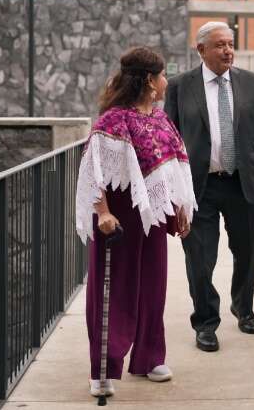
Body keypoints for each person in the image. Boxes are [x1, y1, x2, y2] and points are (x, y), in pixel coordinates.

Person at [75, 46, 196, 398]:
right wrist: (103, 213)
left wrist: (179, 208)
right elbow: (94, 172)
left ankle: (148, 357)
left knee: (152, 288)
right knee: (112, 291)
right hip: (119, 220)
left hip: (152, 219)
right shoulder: (114, 120)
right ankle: (103, 368)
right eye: (161, 75)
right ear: (148, 79)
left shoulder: (160, 119)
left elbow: (173, 167)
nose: (166, 81)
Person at [165, 21, 254, 352]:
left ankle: (243, 306)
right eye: (220, 45)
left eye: (230, 44)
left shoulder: (251, 82)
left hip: (245, 185)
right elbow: (170, 139)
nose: (228, 51)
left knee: (247, 254)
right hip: (200, 188)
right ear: (201, 50)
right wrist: (174, 190)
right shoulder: (180, 86)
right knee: (200, 258)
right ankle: (206, 323)